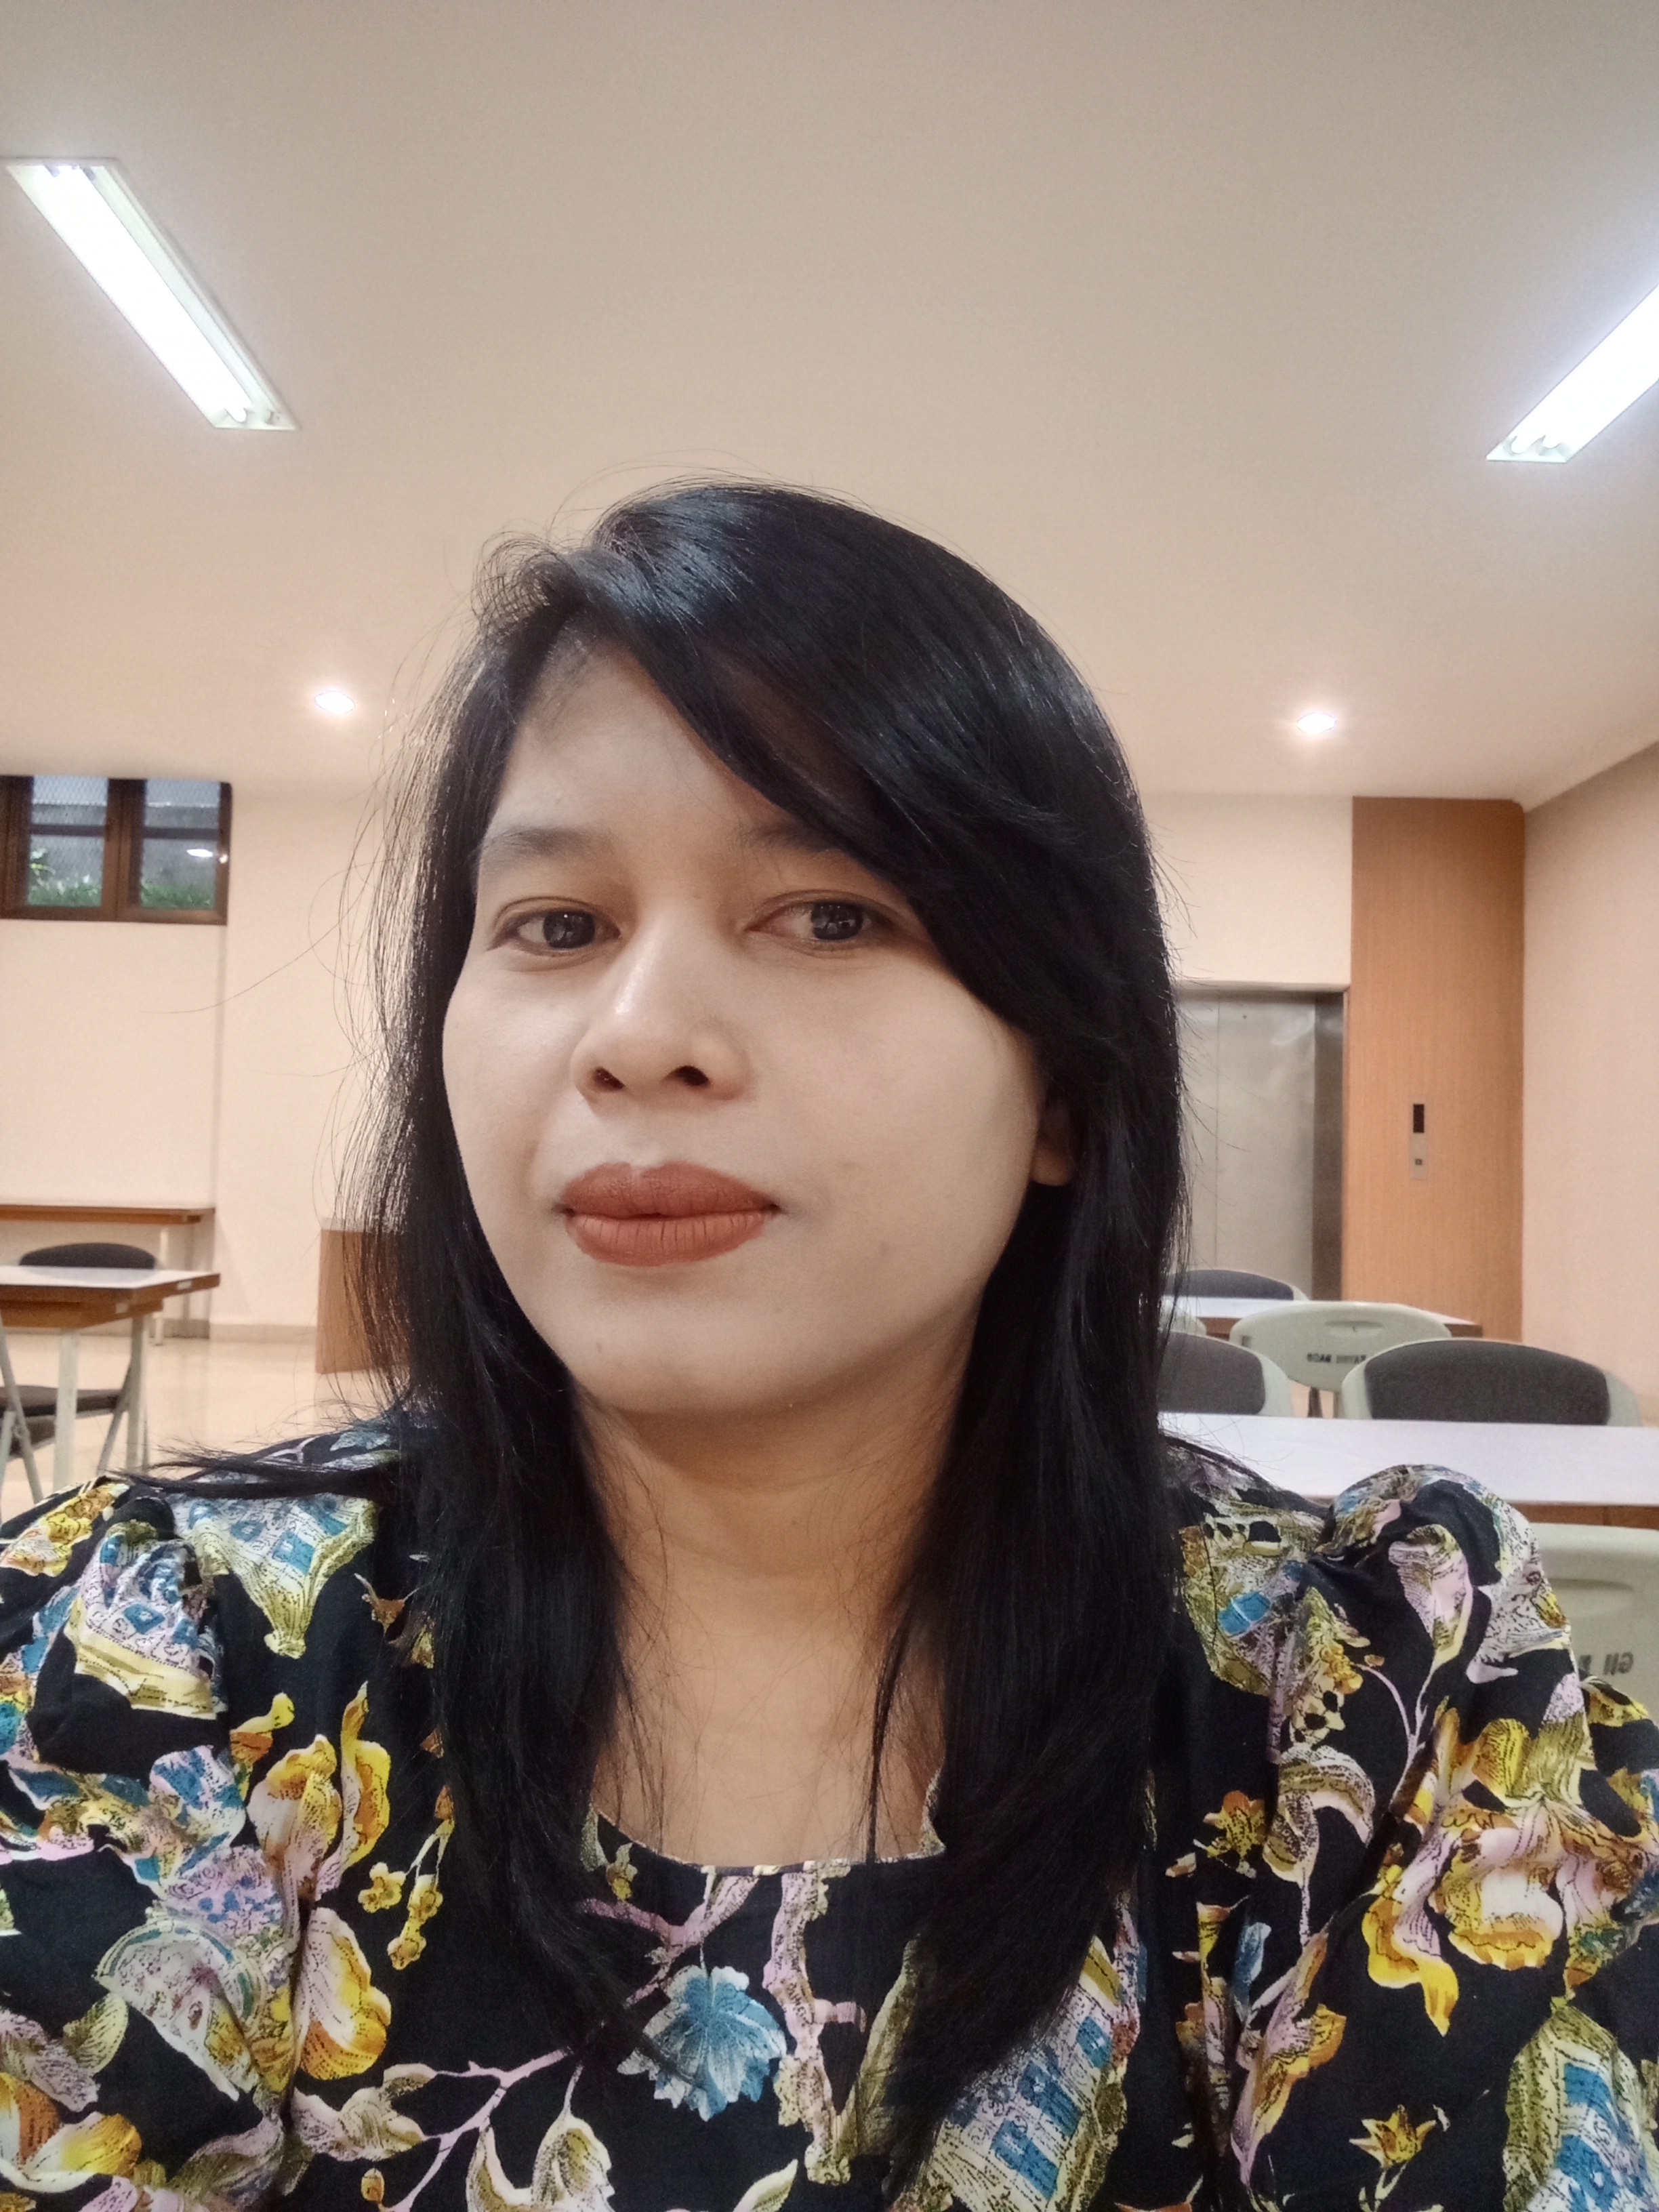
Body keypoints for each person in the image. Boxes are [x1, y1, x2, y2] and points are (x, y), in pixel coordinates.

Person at [0, 485, 1654, 2212]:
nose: (640, 1035)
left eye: (831, 914)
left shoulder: (1379, 1709)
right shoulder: (145, 1671)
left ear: (1062, 1088)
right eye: (557, 924)